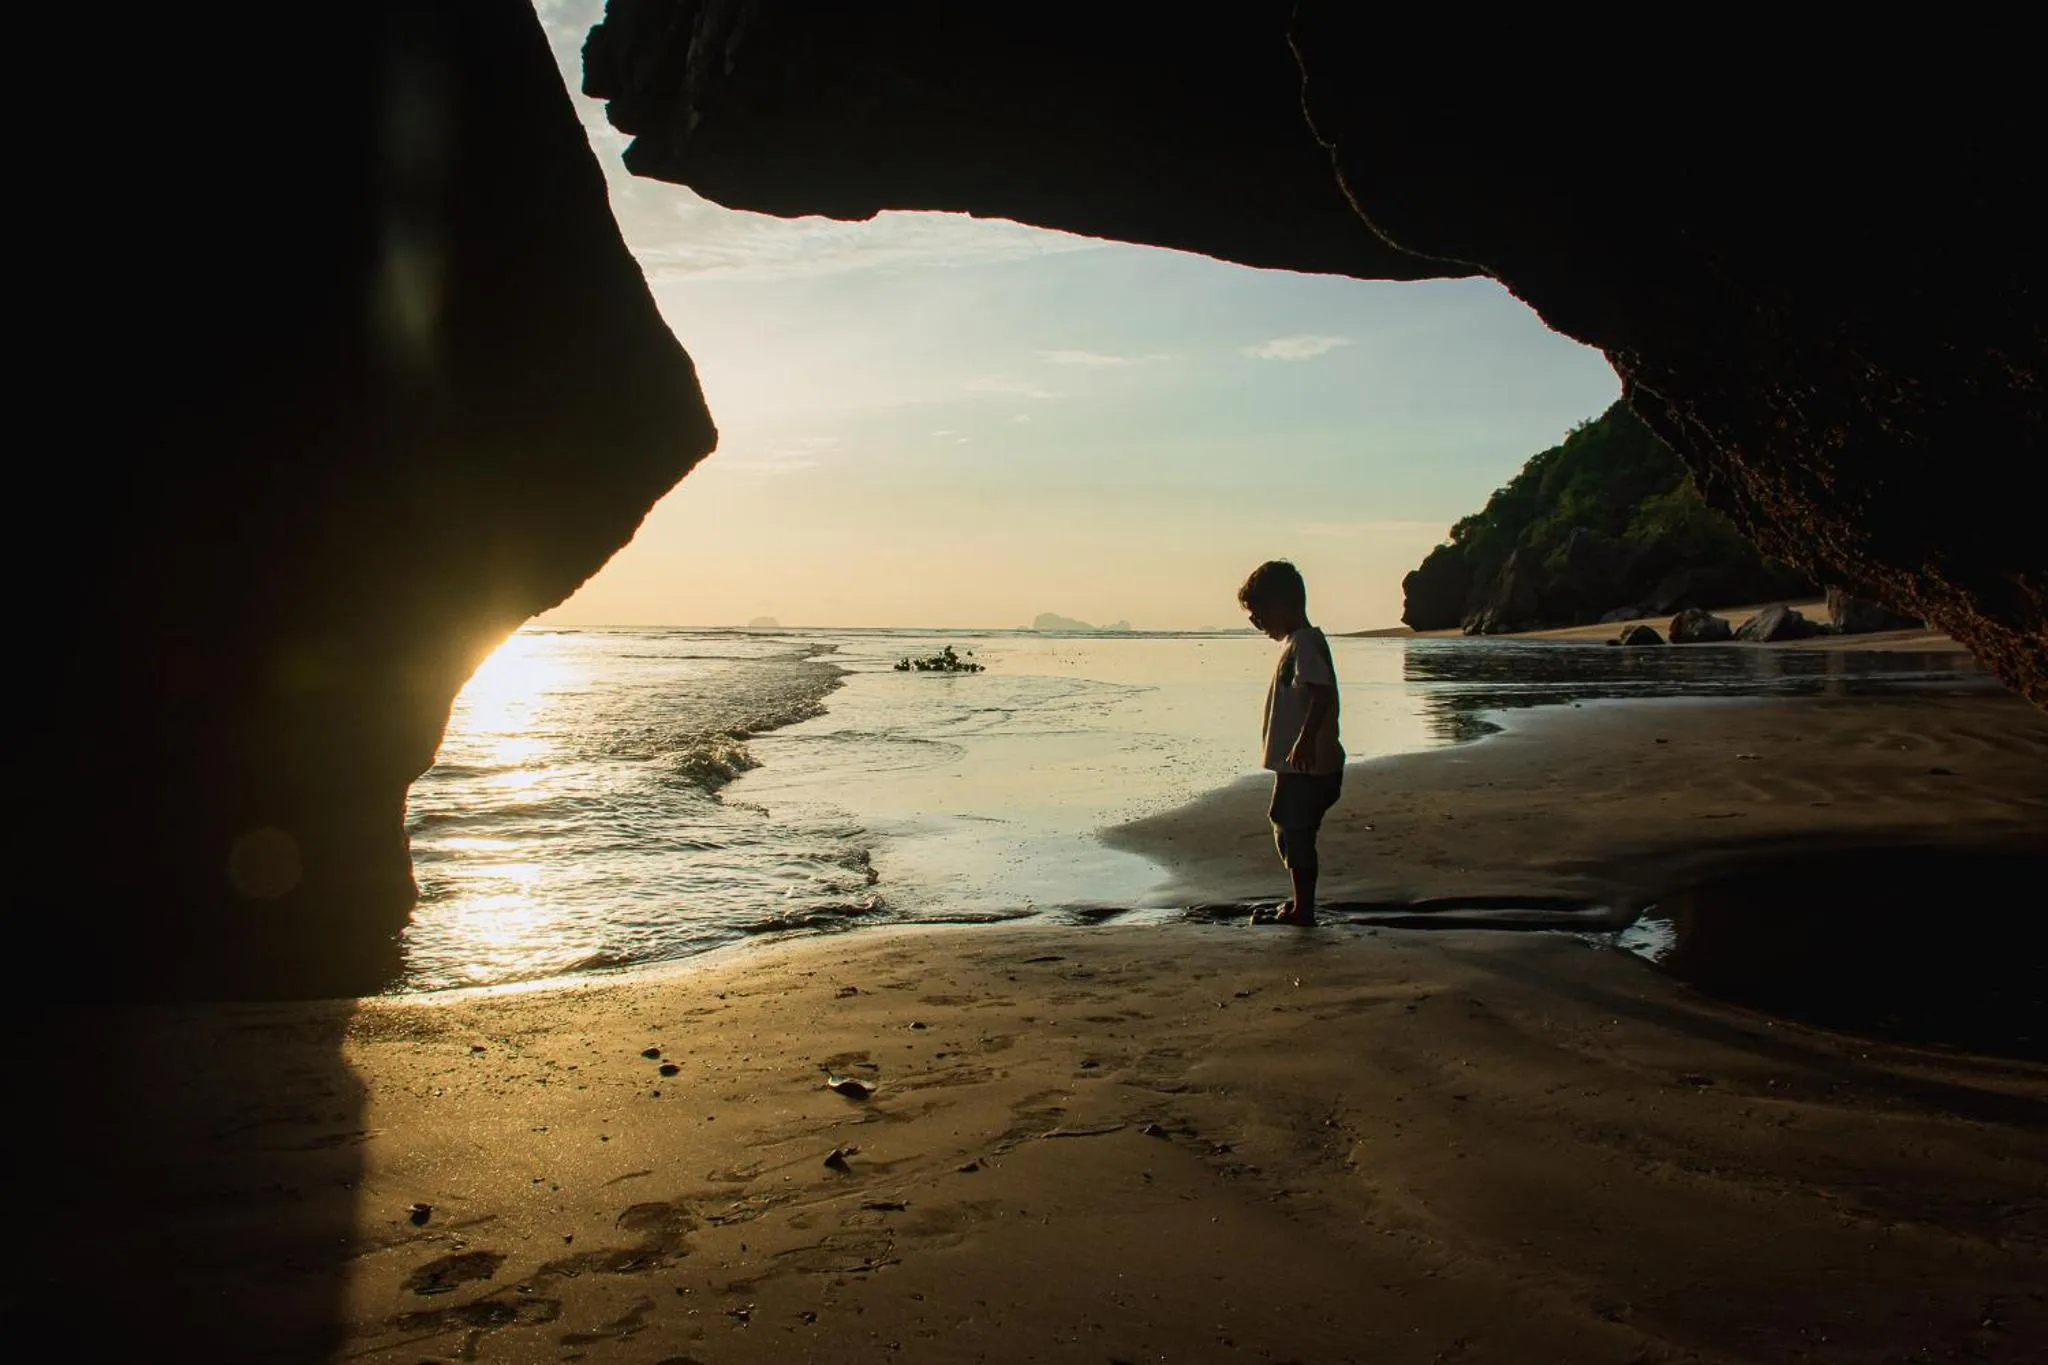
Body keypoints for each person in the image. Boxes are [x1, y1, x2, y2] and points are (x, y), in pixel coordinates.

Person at [1238, 560, 1343, 925]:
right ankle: (1302, 903)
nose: (1257, 624)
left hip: (1308, 765)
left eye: (1259, 614)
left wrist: (1304, 740)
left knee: (1294, 829)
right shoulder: (1298, 644)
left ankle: (1304, 909)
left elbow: (1321, 694)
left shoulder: (1305, 644)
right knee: (1287, 824)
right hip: (1301, 764)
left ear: (1283, 604)